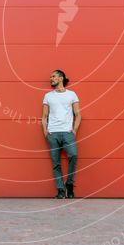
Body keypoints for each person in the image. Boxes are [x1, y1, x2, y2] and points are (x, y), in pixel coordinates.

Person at [42, 69, 81, 199]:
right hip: (53, 133)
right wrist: (46, 131)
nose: (51, 79)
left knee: (73, 156)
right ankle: (60, 190)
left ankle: (69, 184)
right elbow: (44, 116)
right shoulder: (48, 96)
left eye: (53, 76)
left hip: (67, 132)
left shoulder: (72, 94)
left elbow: (78, 114)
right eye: (51, 77)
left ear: (61, 78)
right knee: (56, 163)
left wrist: (74, 130)